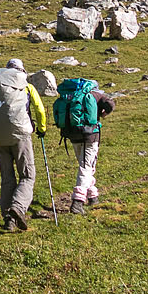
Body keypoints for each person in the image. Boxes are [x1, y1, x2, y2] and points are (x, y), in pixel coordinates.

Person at [0, 58, 46, 231]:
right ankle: (18, 208)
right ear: (21, 71)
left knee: (7, 178)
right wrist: (41, 128)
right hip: (20, 135)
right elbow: (39, 109)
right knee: (27, 175)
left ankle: (8, 218)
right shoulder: (26, 86)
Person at [56, 77, 115, 213]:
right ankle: (78, 201)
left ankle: (93, 196)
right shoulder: (96, 95)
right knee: (86, 167)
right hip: (90, 135)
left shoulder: (69, 95)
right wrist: (104, 113)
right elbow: (110, 104)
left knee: (85, 166)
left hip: (72, 134)